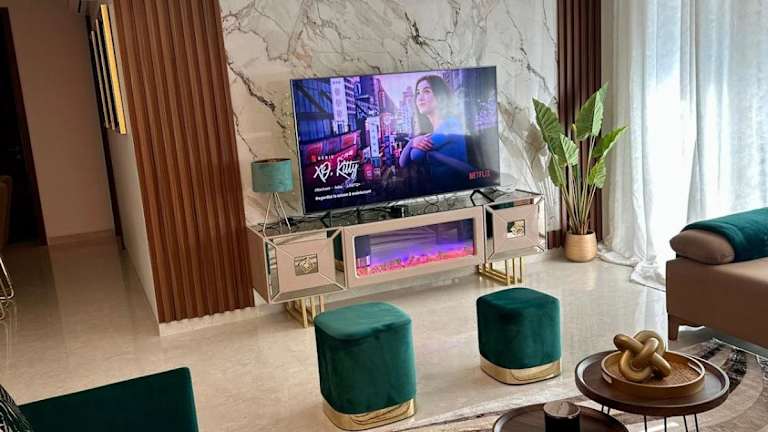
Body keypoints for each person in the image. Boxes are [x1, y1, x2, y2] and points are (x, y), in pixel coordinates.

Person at [398, 75, 474, 182]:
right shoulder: (433, 131)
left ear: (440, 97)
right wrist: (412, 142)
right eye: (418, 93)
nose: (420, 98)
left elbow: (416, 154)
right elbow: (402, 163)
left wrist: (414, 143)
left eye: (426, 91)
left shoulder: (450, 124)